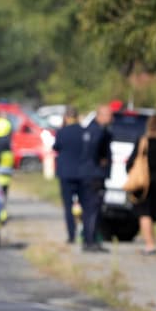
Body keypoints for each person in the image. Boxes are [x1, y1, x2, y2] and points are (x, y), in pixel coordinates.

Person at [126, 115, 156, 254]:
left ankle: (150, 245)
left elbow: (131, 163)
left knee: (145, 214)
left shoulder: (143, 141)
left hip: (145, 183)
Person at [80, 104, 114, 252]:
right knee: (93, 209)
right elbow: (94, 150)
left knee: (91, 209)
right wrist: (100, 162)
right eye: (109, 115)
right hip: (94, 176)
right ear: (100, 115)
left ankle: (90, 239)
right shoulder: (98, 131)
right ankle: (90, 240)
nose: (111, 118)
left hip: (89, 174)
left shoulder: (91, 129)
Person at [52, 107, 89, 244]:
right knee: (85, 205)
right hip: (82, 173)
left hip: (66, 173)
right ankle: (86, 234)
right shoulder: (84, 131)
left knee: (68, 206)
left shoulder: (62, 132)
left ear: (66, 117)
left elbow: (56, 147)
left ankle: (71, 235)